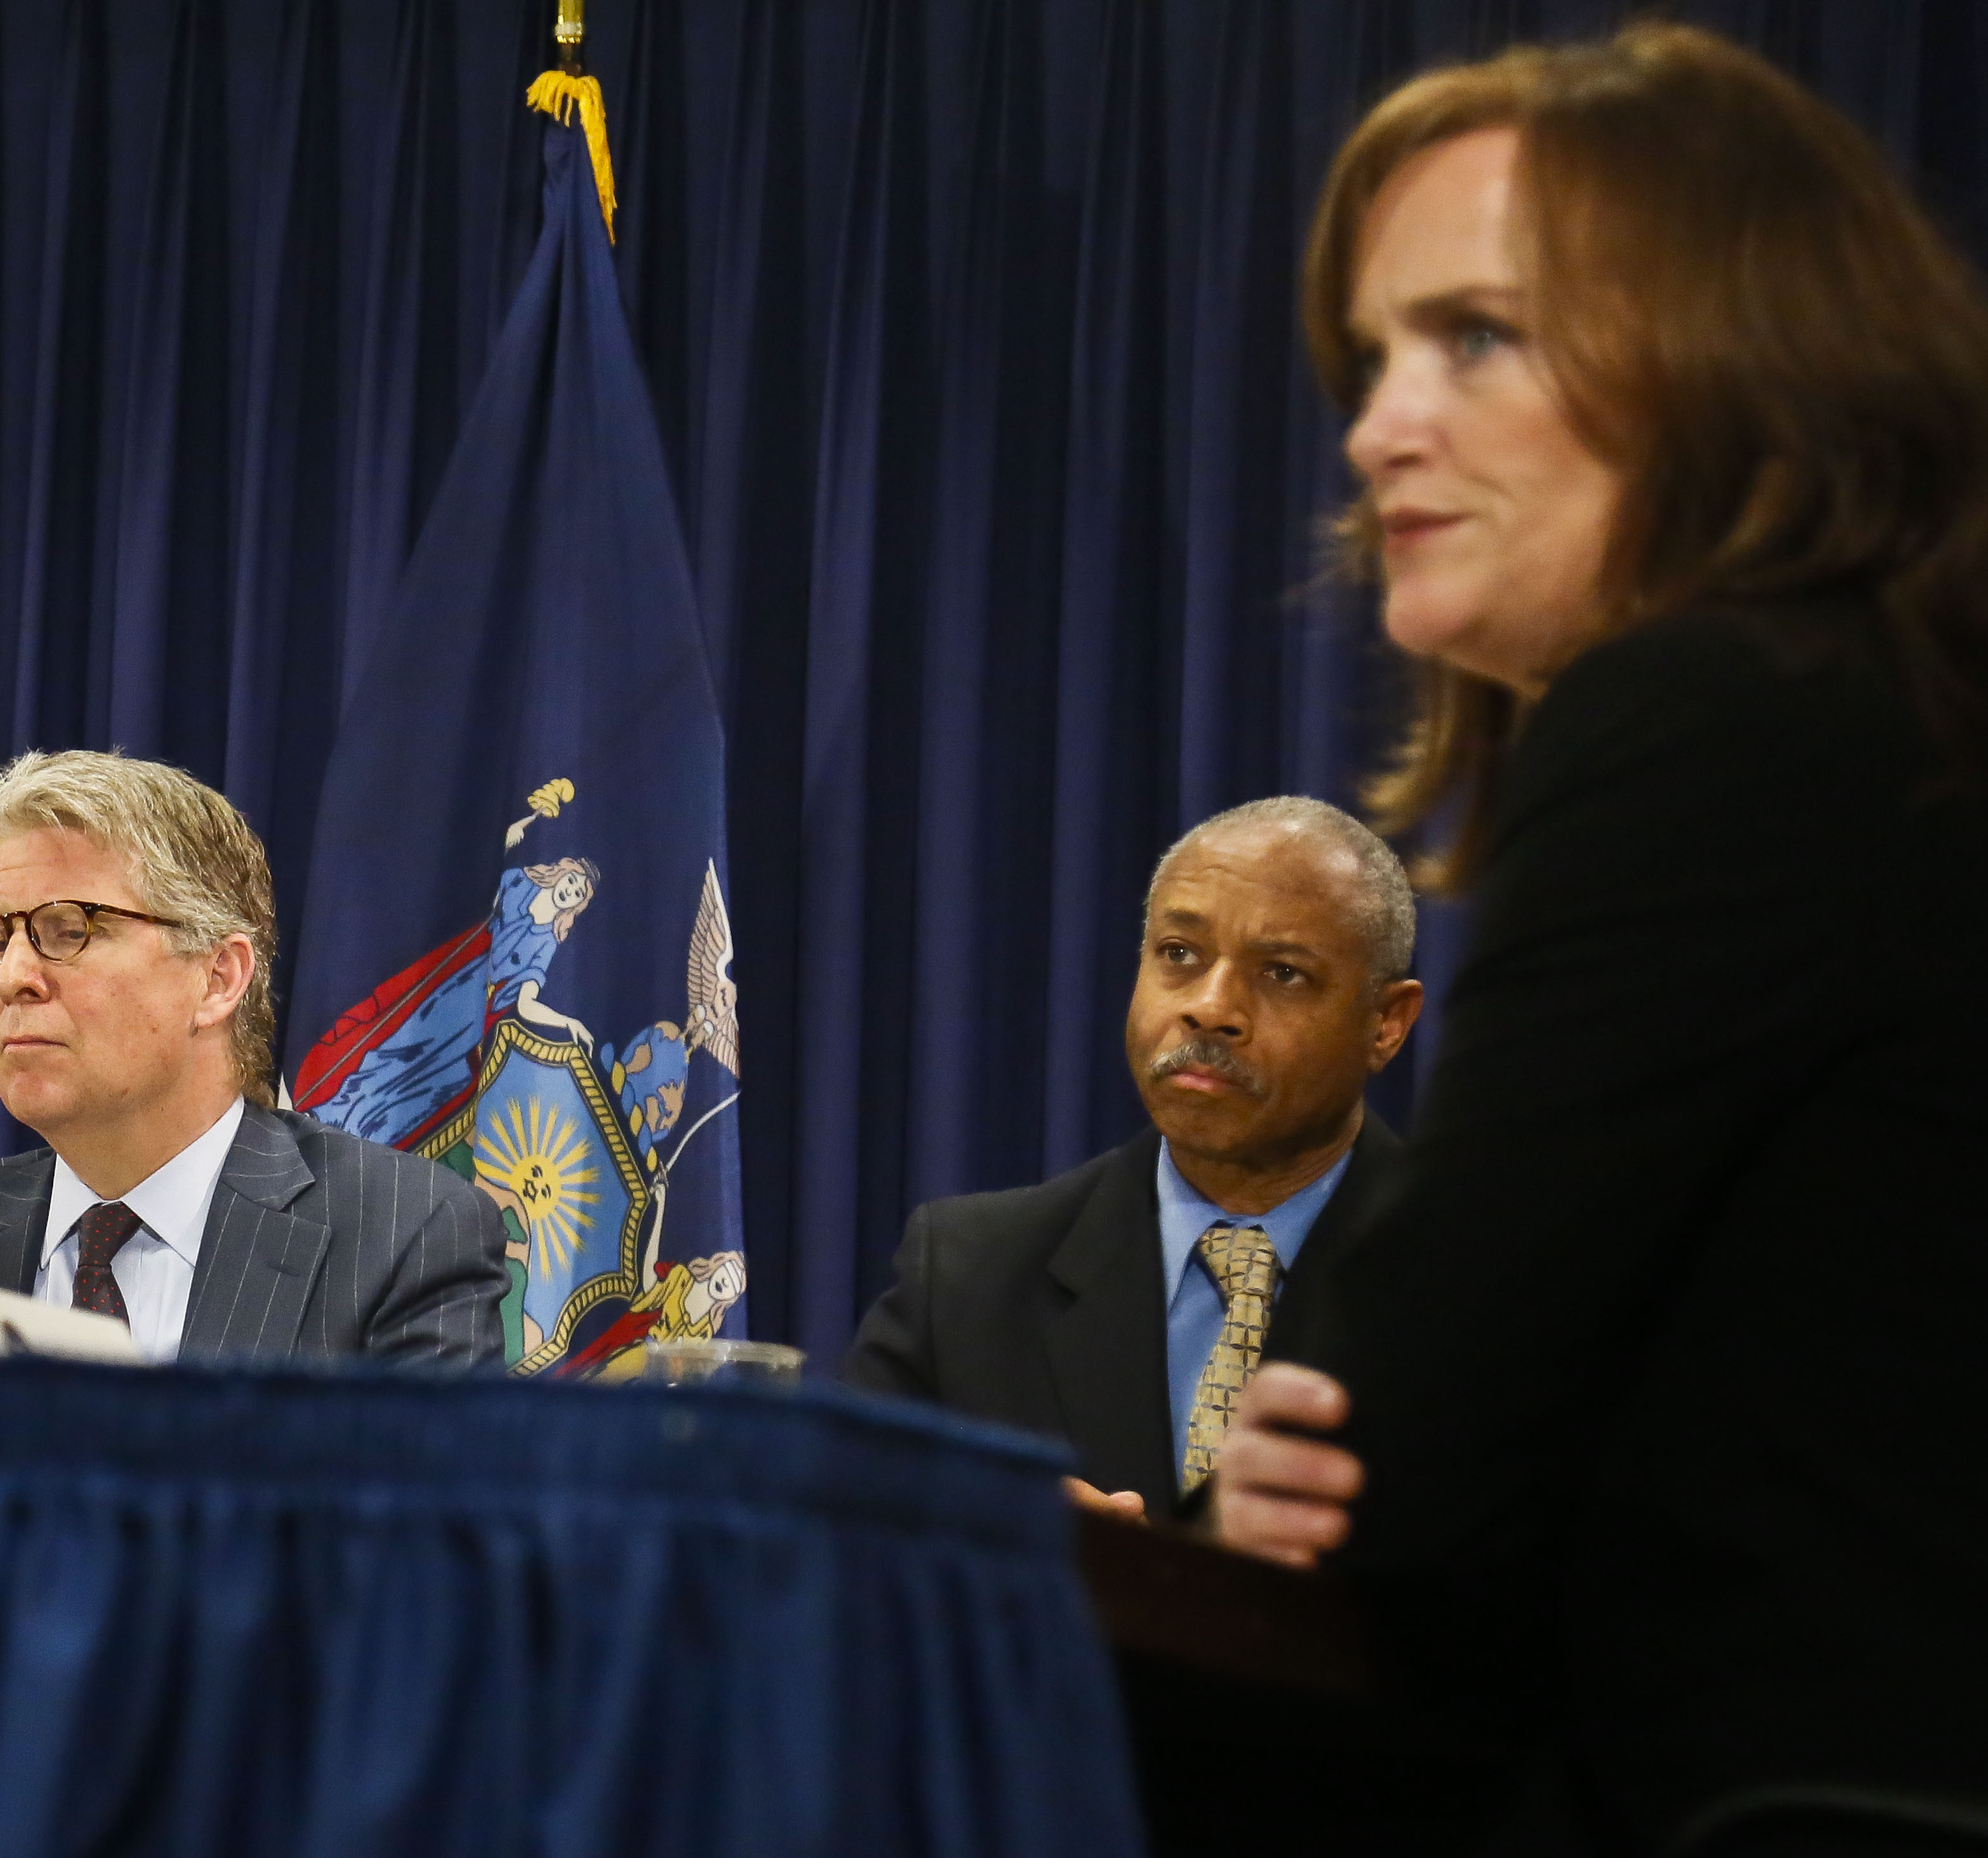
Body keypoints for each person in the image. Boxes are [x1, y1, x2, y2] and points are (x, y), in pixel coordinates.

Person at [1209, 26, 1988, 1854]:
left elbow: (1416, 1476)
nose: (1377, 424)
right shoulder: (1901, 723)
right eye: (1374, 354)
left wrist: (1323, 1471)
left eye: (1476, 336)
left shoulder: (1712, 712)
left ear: (1748, 361)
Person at [0, 750, 508, 1369]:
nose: (10, 977)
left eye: (70, 930)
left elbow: (419, 1513)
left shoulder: (403, 1236)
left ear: (217, 978)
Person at [840, 798, 1423, 1519]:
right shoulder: (966, 1278)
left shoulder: (1488, 1279)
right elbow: (843, 1557)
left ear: (1386, 1023)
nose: (1211, 1008)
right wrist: (1002, 1549)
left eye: (1281, 973)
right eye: (1180, 954)